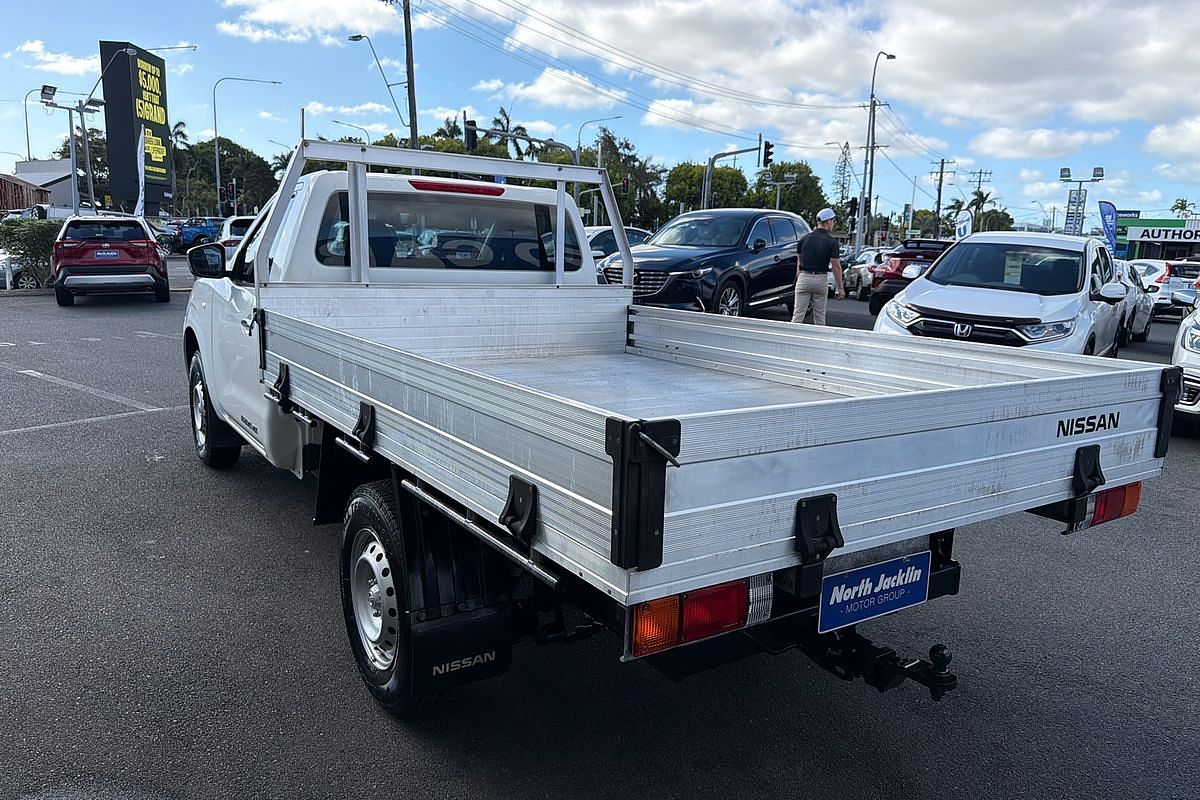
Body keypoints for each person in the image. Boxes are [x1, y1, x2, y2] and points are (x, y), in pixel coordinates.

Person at [791, 207, 844, 325]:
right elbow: (836, 266)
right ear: (828, 221)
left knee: (798, 315)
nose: (833, 224)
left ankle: (790, 340)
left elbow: (799, 262)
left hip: (804, 277)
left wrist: (799, 279)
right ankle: (820, 342)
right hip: (820, 279)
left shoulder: (803, 240)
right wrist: (840, 288)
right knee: (820, 317)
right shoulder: (832, 242)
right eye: (833, 221)